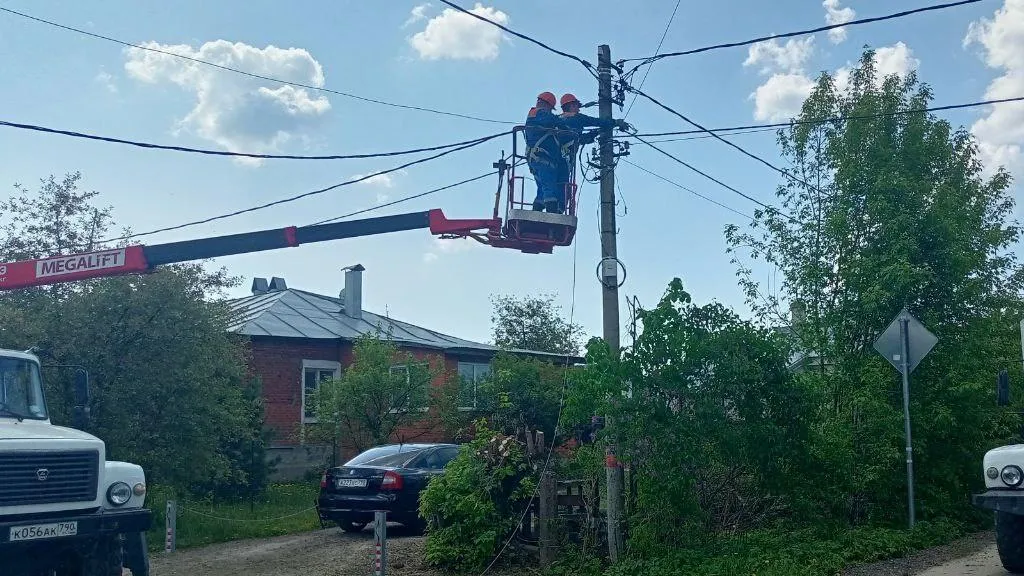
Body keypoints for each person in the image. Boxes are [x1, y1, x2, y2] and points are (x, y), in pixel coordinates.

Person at [558, 93, 631, 182]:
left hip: (556, 155)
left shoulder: (558, 120)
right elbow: (596, 121)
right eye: (577, 106)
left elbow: (580, 139)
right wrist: (615, 122)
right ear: (571, 106)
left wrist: (596, 132)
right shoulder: (576, 118)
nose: (578, 110)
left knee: (552, 184)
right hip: (566, 156)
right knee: (562, 183)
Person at [524, 91, 570, 213]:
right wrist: (566, 123)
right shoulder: (538, 114)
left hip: (538, 159)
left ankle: (536, 211)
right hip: (542, 159)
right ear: (547, 105)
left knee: (541, 190)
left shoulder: (539, 118)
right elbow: (553, 120)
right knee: (550, 188)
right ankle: (552, 214)